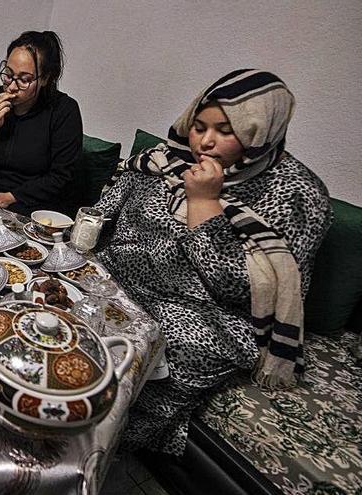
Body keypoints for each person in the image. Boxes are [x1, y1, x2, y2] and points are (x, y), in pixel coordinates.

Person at [95, 69, 332, 454]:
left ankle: (115, 441)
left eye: (225, 130)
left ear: (261, 133)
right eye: (199, 126)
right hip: (126, 275)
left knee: (161, 344)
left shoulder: (297, 194)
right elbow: (105, 211)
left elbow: (241, 289)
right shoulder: (166, 160)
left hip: (210, 312)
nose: (205, 142)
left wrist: (204, 204)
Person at [0, 31, 82, 217]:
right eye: (8, 75)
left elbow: (62, 176)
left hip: (31, 202)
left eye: (24, 80)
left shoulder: (64, 110)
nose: (11, 86)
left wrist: (12, 196)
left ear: (45, 78)